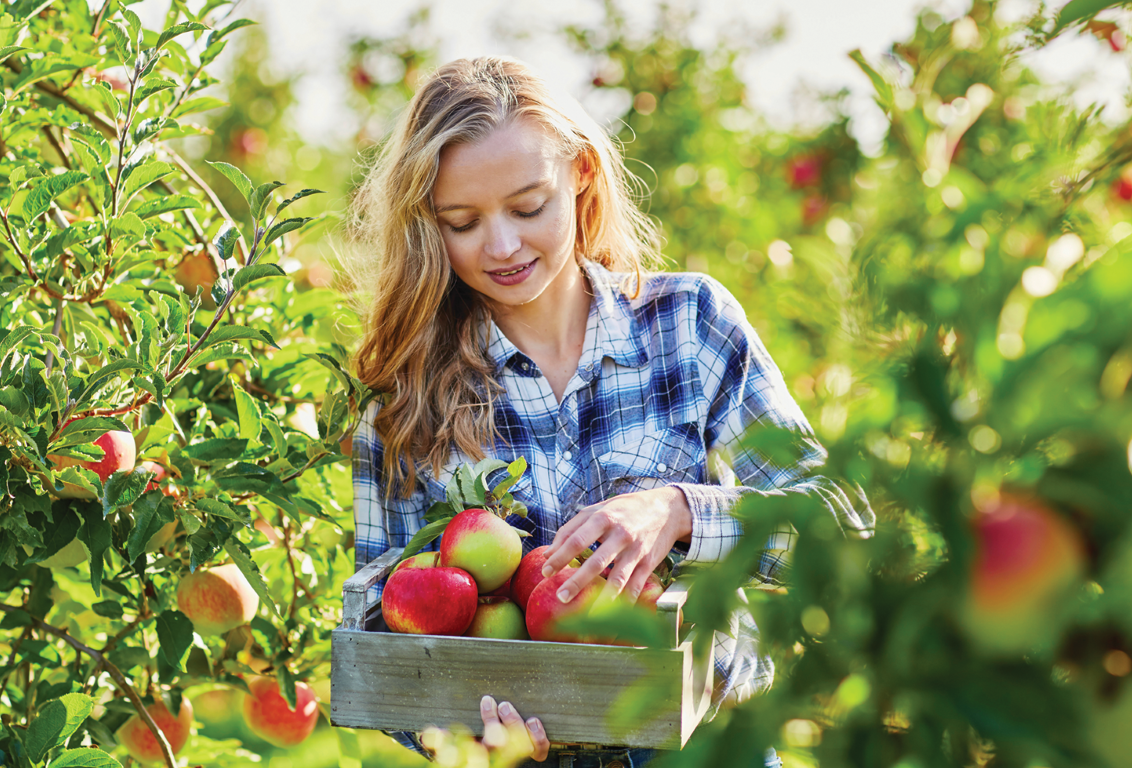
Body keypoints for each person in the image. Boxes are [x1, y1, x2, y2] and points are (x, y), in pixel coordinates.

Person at [348, 55, 873, 767]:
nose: (502, 246)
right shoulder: (404, 400)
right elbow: (387, 640)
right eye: (462, 222)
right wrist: (456, 727)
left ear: (582, 177)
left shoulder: (688, 326)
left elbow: (841, 528)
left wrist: (683, 510)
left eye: (529, 207)